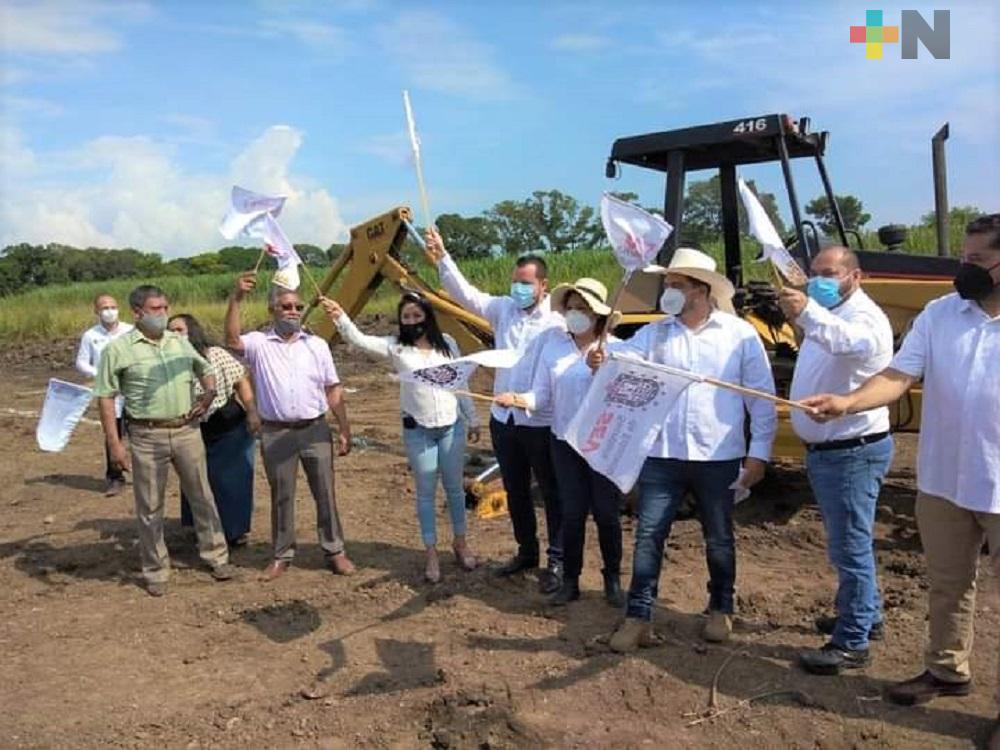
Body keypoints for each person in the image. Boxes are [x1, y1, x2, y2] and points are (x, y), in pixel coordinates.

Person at [802, 214, 999, 744]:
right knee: (947, 585)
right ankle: (946, 669)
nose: (964, 269)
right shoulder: (941, 314)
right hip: (944, 479)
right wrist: (848, 402)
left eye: (976, 261)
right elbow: (896, 376)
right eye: (963, 257)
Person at [598, 248, 777, 651]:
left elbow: (761, 398)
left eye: (676, 284)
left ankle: (721, 608)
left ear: (701, 288)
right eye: (668, 284)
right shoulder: (657, 332)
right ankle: (638, 616)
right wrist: (602, 348)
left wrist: (759, 453)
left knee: (718, 537)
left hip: (720, 454)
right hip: (663, 454)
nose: (669, 291)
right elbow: (622, 356)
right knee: (648, 537)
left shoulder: (739, 336)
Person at [774, 246, 896, 675]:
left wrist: (807, 312)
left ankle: (852, 642)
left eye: (829, 274)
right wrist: (806, 316)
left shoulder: (864, 320)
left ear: (855, 277)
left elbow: (850, 345)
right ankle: (864, 615)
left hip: (851, 450)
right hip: (832, 450)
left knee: (850, 547)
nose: (818, 280)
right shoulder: (829, 315)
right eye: (813, 273)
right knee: (849, 542)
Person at [424, 227, 566, 593]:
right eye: (515, 281)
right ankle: (526, 551)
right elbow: (466, 295)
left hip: (540, 420)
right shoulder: (504, 310)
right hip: (504, 419)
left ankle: (558, 559)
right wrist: (441, 255)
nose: (518, 288)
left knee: (550, 492)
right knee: (516, 490)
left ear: (543, 286)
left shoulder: (556, 321)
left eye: (526, 283)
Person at [321, 292, 481, 583]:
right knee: (426, 493)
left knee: (455, 489)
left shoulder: (448, 344)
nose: (411, 321)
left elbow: (462, 382)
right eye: (406, 317)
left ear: (427, 317)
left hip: (451, 427)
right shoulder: (395, 347)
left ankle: (461, 543)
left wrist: (473, 417)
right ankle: (431, 552)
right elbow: (359, 339)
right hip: (418, 430)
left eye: (416, 316)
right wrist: (340, 316)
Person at [94, 285, 235, 597]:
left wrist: (209, 391)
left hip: (186, 431)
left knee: (202, 496)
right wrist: (115, 444)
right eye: (156, 309)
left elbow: (205, 367)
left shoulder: (178, 342)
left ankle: (216, 556)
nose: (163, 314)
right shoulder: (118, 350)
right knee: (150, 505)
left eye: (165, 307)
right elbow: (105, 397)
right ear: (138, 312)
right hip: (146, 436)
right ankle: (156, 570)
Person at [496, 278, 624, 607]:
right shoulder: (553, 347)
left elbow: (623, 399)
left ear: (597, 315)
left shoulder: (617, 349)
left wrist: (603, 369)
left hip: (601, 445)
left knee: (607, 514)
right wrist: (518, 399)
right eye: (570, 308)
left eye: (582, 309)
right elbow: (542, 395)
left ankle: (612, 580)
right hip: (564, 442)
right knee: (572, 513)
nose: (575, 314)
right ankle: (571, 580)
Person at [225, 273, 355, 581]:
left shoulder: (318, 345)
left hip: (315, 430)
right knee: (282, 494)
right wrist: (237, 298)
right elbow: (231, 340)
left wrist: (344, 428)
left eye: (297, 306)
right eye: (286, 306)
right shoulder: (259, 343)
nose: (293, 311)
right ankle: (282, 554)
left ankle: (335, 550)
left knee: (325, 491)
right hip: (276, 432)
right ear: (273, 310)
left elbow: (333, 390)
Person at [167, 314, 258, 547]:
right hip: (193, 428)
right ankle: (199, 529)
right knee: (196, 480)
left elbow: (241, 381)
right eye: (171, 330)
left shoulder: (214, 354)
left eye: (179, 329)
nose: (175, 334)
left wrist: (252, 411)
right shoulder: (168, 362)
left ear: (192, 331)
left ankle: (233, 532)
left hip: (228, 426)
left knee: (231, 480)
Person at [75, 293, 133, 496]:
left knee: (140, 432)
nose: (110, 311)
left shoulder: (130, 331)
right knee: (113, 434)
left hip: (132, 389)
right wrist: (99, 375)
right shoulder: (91, 336)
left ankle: (143, 473)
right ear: (96, 311)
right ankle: (115, 477)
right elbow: (81, 362)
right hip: (109, 393)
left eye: (113, 306)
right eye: (105, 308)